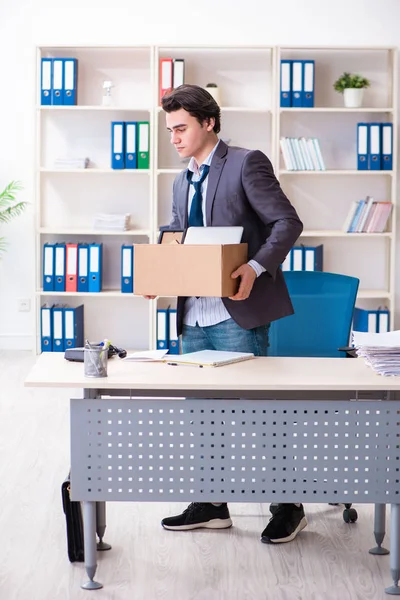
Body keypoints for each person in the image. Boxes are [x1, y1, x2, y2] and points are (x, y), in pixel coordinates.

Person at [153, 84, 305, 544]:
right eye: (170, 130)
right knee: (202, 415)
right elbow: (179, 234)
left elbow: (287, 222)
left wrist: (256, 267)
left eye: (181, 128)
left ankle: (287, 504)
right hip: (193, 314)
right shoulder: (182, 178)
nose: (174, 138)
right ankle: (213, 503)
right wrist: (156, 272)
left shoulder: (245, 162)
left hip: (236, 311)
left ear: (209, 123)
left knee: (258, 416)